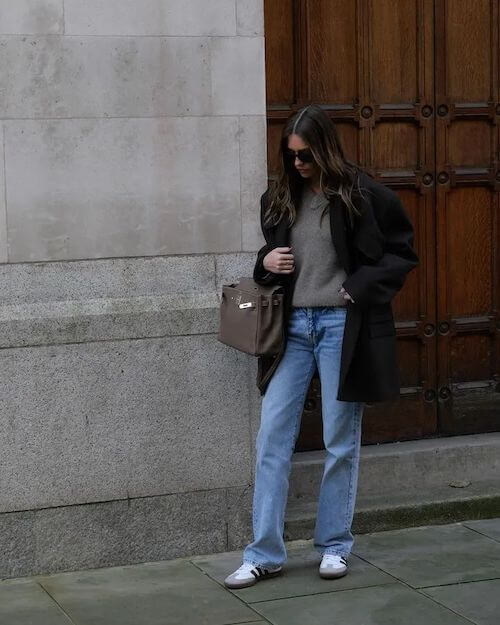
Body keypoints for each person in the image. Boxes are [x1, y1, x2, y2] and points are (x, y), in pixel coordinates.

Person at [224, 104, 419, 589]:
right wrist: (266, 260)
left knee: (338, 439)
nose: (298, 164)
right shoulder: (279, 198)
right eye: (290, 156)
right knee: (272, 438)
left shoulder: (363, 195)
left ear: (326, 148)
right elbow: (269, 267)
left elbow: (401, 254)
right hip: (290, 330)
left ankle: (334, 545)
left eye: (305, 155)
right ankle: (263, 553)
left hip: (339, 327)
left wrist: (357, 286)